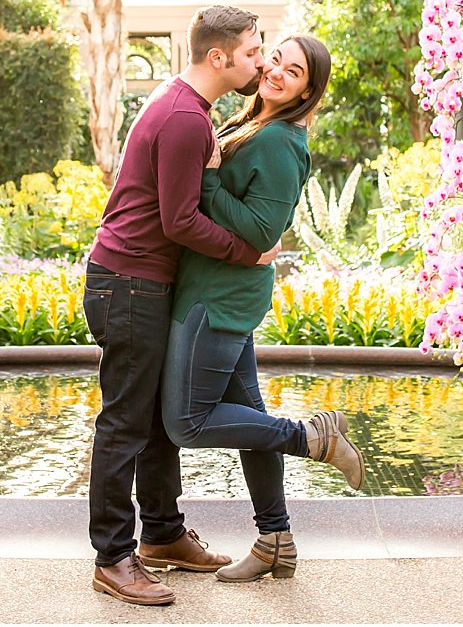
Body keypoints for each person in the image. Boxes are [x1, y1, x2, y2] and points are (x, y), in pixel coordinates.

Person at [83, 5, 283, 607]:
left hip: (142, 282)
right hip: (128, 282)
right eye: (252, 51)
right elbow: (179, 220)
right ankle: (113, 557)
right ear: (217, 57)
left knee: (153, 419)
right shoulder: (184, 118)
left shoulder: (192, 110)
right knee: (124, 422)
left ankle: (163, 535)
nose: (261, 61)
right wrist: (247, 253)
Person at [160, 34, 367, 582]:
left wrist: (205, 175)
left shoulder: (278, 140)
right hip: (217, 291)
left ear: (307, 90)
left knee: (186, 423)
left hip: (218, 300)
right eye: (275, 58)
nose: (276, 71)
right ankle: (275, 538)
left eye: (293, 71)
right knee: (249, 420)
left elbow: (259, 230)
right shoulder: (248, 121)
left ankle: (311, 438)